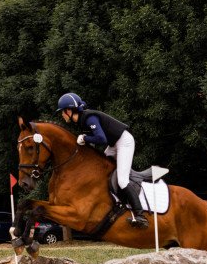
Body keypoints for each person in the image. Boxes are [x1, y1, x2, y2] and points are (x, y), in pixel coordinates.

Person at [56, 92, 149, 229]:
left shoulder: (89, 118)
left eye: (62, 112)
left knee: (122, 180)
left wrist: (85, 138)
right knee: (101, 169)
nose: (62, 115)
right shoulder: (81, 120)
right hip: (114, 144)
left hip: (124, 142)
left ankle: (140, 215)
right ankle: (116, 204)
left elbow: (101, 139)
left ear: (69, 110)